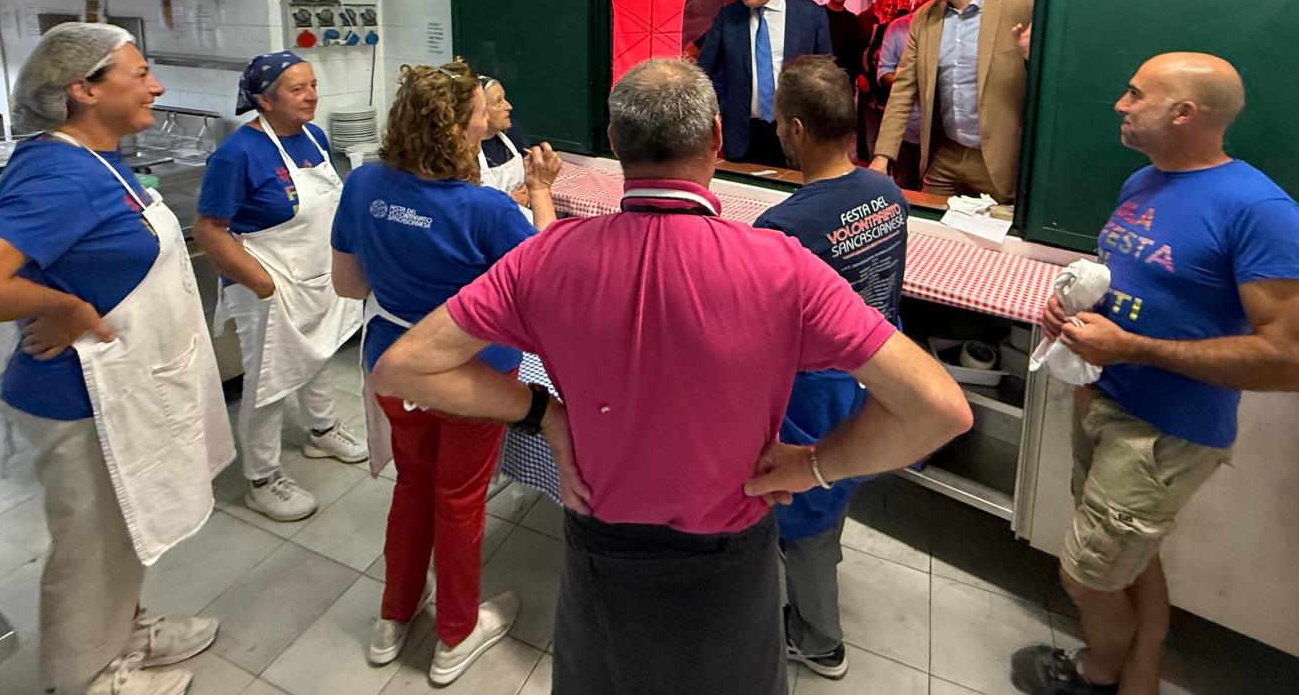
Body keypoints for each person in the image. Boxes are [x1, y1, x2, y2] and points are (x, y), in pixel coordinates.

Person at [370, 57, 972, 695]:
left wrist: (545, 414)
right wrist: (815, 467)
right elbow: (939, 408)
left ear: (614, 143)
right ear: (716, 137)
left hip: (602, 541)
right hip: (731, 550)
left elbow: (401, 368)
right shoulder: (781, 266)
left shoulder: (545, 258)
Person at [0, 23, 229, 695]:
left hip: (124, 385)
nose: (157, 86)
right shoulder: (63, 172)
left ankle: (126, 631)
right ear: (84, 90)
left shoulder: (87, 158)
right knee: (91, 548)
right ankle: (87, 675)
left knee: (124, 529)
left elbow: (8, 205)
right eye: (139, 74)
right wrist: (64, 306)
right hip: (80, 396)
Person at [1012, 53, 1299, 695]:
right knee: (1131, 559)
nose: (1121, 105)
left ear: (1183, 113)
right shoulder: (1143, 183)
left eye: (1135, 94)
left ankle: (1096, 675)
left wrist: (1132, 348)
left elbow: (1295, 361)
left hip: (1164, 433)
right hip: (1106, 402)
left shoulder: (1262, 211)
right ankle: (1140, 673)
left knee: (1085, 577)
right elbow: (1139, 286)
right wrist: (1074, 312)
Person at [329, 60, 563, 684]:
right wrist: (541, 192)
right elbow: (545, 286)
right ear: (459, 129)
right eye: (482, 113)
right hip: (469, 376)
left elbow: (348, 285)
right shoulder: (485, 209)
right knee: (459, 499)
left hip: (390, 368)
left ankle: (394, 616)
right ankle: (457, 634)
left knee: (412, 485)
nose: (490, 120)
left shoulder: (364, 183)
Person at [755, 57, 910, 681]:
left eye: (777, 121)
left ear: (796, 129)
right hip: (875, 379)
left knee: (808, 518)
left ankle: (819, 639)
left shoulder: (783, 227)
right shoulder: (887, 193)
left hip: (813, 395)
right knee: (835, 490)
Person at [194, 52, 366, 523]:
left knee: (318, 355)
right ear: (265, 101)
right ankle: (262, 477)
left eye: (313, 86)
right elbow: (209, 229)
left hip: (316, 274)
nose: (311, 96)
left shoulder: (314, 137)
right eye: (297, 89)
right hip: (267, 283)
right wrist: (263, 284)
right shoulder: (236, 155)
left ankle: (321, 431)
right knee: (269, 379)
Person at [873, 0, 1034, 201]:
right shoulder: (924, 18)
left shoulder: (1022, 7)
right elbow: (903, 89)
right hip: (945, 156)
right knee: (928, 220)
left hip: (1001, 162)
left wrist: (1031, 57)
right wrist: (882, 156)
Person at [696, 0, 833, 166]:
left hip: (797, 137)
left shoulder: (811, 16)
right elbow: (703, 73)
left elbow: (827, 80)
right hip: (741, 137)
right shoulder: (727, 17)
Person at [876, 0, 938, 189]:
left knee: (934, 192)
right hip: (907, 128)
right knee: (903, 187)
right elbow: (884, 71)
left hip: (940, 134)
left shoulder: (952, 30)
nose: (921, 1)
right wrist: (912, 85)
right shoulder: (898, 27)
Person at [854, 0, 895, 160]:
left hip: (887, 88)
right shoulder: (864, 19)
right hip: (870, 81)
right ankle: (866, 158)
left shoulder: (899, 21)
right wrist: (860, 74)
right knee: (868, 127)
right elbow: (858, 49)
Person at [477, 74, 530, 211]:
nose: (509, 106)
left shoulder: (511, 132)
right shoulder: (465, 151)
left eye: (504, 99)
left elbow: (528, 164)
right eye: (498, 102)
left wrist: (531, 189)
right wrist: (508, 201)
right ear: (479, 111)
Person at [822, 0, 868, 98]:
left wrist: (860, 74)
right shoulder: (817, 15)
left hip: (845, 86)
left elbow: (857, 53)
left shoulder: (854, 21)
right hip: (820, 83)